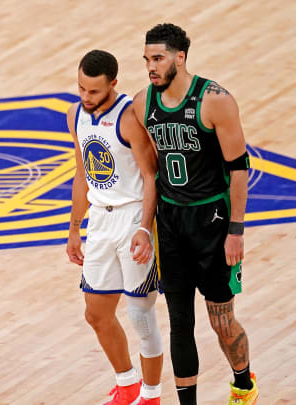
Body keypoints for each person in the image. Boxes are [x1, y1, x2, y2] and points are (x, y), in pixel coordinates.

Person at [131, 24, 258, 405]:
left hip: (213, 223)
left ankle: (243, 383)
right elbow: (150, 172)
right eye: (147, 60)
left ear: (180, 57)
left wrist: (236, 230)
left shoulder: (215, 100)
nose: (151, 67)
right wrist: (145, 227)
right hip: (171, 223)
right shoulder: (143, 103)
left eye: (158, 58)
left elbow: (238, 168)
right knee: (179, 322)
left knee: (221, 319)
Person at [66, 49, 164, 405]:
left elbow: (151, 176)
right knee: (96, 313)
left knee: (140, 314)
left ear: (114, 84)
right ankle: (127, 384)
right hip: (100, 220)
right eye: (81, 88)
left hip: (132, 217)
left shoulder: (129, 117)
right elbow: (82, 173)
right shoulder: (74, 113)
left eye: (93, 91)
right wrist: (75, 227)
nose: (85, 97)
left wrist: (144, 227)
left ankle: (152, 395)